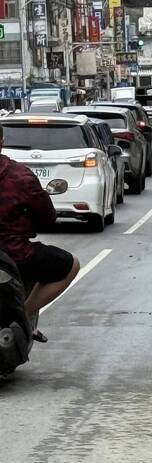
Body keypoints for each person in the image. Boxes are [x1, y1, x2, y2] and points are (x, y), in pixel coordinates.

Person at [0, 125, 81, 339]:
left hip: (11, 259)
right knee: (71, 265)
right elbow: (47, 215)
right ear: (2, 142)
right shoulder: (21, 176)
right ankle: (23, 316)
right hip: (15, 256)